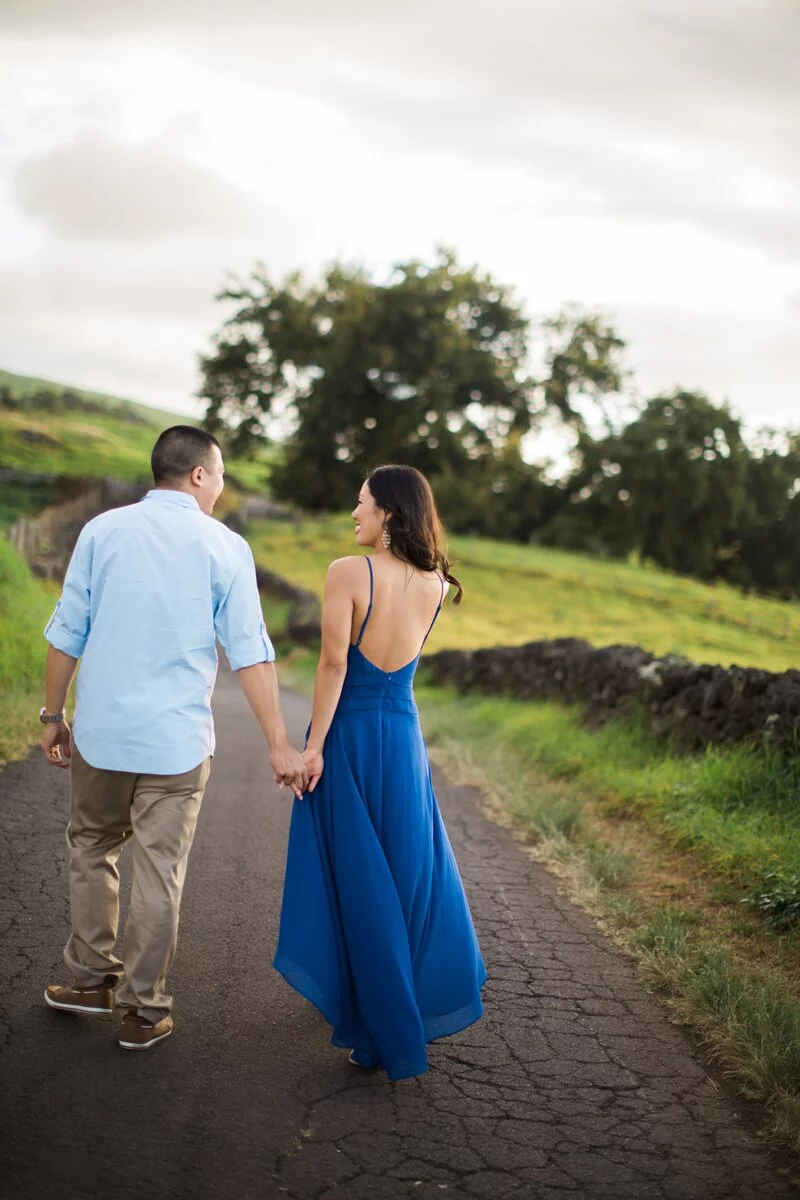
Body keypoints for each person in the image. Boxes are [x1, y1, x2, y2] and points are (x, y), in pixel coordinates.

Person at [40, 425, 307, 1050]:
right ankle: (141, 1009)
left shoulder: (102, 531)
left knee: (91, 847)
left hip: (103, 733)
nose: (221, 487)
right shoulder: (225, 547)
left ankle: (87, 978)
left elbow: (65, 631)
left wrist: (53, 715)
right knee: (160, 869)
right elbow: (251, 652)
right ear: (197, 475)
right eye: (219, 475)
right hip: (178, 744)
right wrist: (277, 744)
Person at [274, 464, 486, 1079]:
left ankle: (378, 1020)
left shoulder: (348, 572)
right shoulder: (438, 584)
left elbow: (334, 667)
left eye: (362, 502)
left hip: (352, 738)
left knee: (356, 876)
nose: (353, 512)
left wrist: (312, 746)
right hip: (402, 736)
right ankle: (394, 1004)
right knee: (403, 872)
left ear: (388, 511)